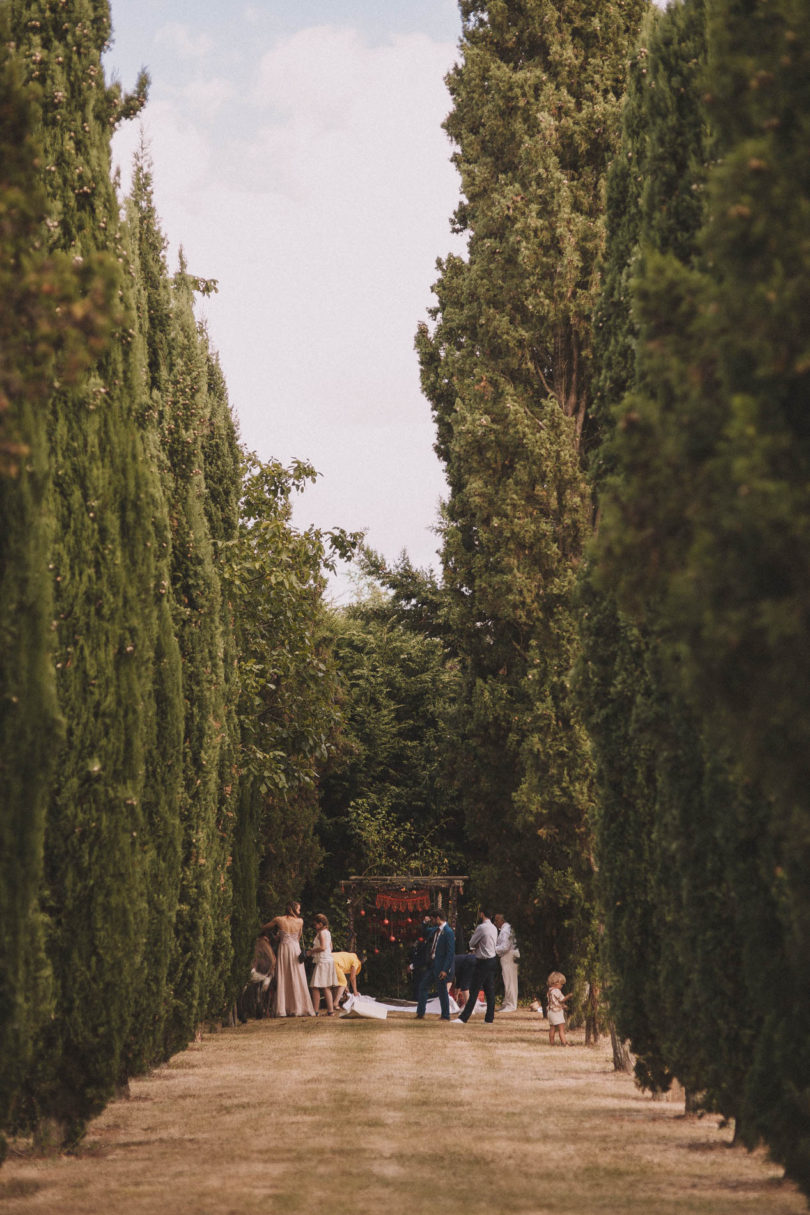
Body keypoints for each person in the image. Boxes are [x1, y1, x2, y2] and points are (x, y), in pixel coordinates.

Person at [265, 901, 314, 1017]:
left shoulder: (278, 920)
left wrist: (273, 937)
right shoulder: (300, 921)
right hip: (295, 949)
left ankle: (283, 1008)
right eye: (298, 909)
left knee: (284, 976)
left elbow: (265, 927)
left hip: (284, 949)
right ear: (293, 909)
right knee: (297, 976)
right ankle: (299, 1007)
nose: (299, 911)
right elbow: (297, 937)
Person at [454, 911, 498, 1024]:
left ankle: (464, 1017)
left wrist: (477, 945)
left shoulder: (481, 927)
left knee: (474, 990)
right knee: (490, 990)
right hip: (492, 959)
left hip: (483, 961)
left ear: (482, 914)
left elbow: (471, 943)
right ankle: (489, 1018)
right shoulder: (494, 928)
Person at [416, 908, 455, 1020]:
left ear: (438, 918)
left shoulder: (448, 932)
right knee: (423, 986)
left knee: (442, 991)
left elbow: (450, 953)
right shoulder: (435, 930)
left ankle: (445, 1015)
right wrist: (425, 922)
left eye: (432, 919)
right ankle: (420, 1013)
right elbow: (424, 932)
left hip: (441, 966)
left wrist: (445, 969)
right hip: (432, 964)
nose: (432, 921)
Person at [308, 913, 339, 1015]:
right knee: (326, 987)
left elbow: (322, 947)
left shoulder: (321, 933)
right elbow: (331, 947)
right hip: (328, 960)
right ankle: (330, 1011)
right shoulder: (328, 932)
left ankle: (315, 1011)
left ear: (320, 924)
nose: (315, 926)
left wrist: (311, 951)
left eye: (316, 924)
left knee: (315, 987)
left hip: (323, 961)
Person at [493, 912, 518, 1012]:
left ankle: (510, 1005)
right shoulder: (505, 929)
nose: (495, 923)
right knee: (507, 980)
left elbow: (505, 947)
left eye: (496, 920)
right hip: (507, 956)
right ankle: (506, 1003)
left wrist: (492, 949)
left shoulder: (506, 930)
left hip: (509, 956)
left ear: (501, 920)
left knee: (509, 981)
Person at [547, 971, 572, 1045]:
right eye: (561, 984)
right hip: (556, 1012)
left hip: (550, 1011)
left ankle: (552, 1042)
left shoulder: (549, 991)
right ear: (556, 983)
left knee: (552, 1028)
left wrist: (563, 1006)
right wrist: (569, 996)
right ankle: (564, 1042)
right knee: (561, 1028)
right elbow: (562, 1000)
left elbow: (555, 1002)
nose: (562, 986)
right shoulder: (556, 991)